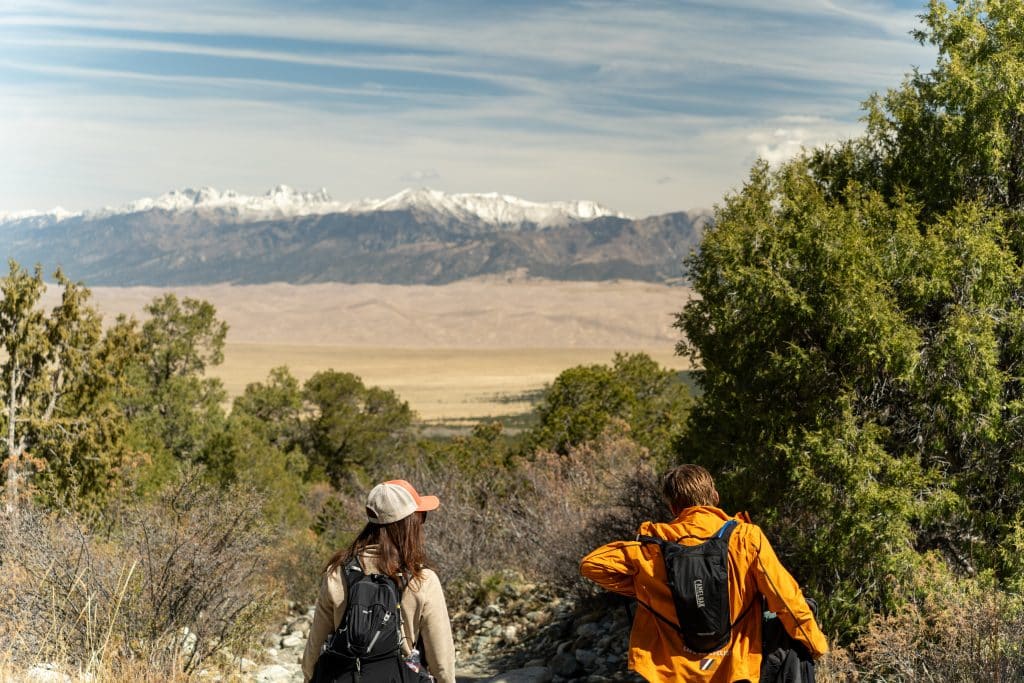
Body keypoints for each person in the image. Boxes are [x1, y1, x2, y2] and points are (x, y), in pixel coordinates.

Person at [580, 464, 828, 682]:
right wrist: (815, 645)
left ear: (673, 507)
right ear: (715, 496)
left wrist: (645, 587)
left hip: (676, 671)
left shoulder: (652, 550)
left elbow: (591, 564)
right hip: (736, 668)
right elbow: (786, 599)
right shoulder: (745, 537)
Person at [302, 479, 456, 683]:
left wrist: (309, 678)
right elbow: (441, 662)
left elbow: (314, 649)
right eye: (421, 517)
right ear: (409, 523)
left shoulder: (338, 572)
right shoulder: (422, 579)